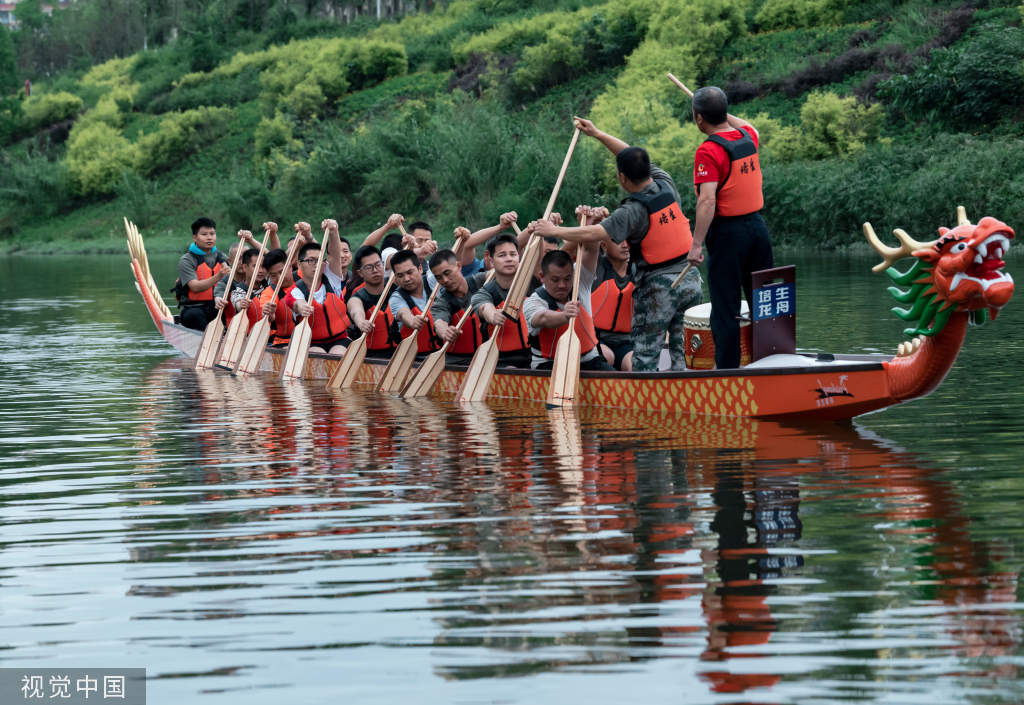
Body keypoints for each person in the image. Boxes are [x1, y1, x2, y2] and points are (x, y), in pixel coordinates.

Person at [533, 117, 702, 372]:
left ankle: (644, 408)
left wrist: (553, 230)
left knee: (644, 358)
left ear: (622, 178)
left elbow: (595, 232)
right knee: (681, 353)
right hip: (691, 279)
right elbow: (628, 153)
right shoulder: (665, 182)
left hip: (661, 287)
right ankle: (681, 397)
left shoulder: (631, 211)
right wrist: (597, 133)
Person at [687, 86, 774, 369]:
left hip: (729, 235)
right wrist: (719, 113)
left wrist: (696, 244)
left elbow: (708, 201)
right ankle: (773, 362)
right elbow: (746, 125)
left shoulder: (708, 151)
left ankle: (728, 375)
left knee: (725, 310)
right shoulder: (749, 137)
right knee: (766, 303)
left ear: (699, 119)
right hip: (758, 230)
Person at [522, 219, 615, 372]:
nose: (562, 285)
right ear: (542, 276)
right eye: (555, 279)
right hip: (549, 363)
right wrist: (564, 316)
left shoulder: (580, 280)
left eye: (567, 278)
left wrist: (589, 223)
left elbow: (591, 250)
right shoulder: (534, 301)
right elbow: (542, 318)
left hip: (589, 360)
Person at [284, 225, 351, 355]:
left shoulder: (333, 279)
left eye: (319, 260)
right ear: (299, 264)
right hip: (312, 342)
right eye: (311, 261)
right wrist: (302, 307)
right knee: (317, 353)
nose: (316, 264)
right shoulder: (294, 291)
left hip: (340, 339)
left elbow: (335, 255)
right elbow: (297, 303)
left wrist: (334, 231)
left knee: (337, 355)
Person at [470, 233, 532, 368]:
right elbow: (485, 308)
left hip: (534, 356)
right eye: (502, 255)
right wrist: (493, 316)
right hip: (499, 361)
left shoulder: (532, 284)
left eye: (513, 254)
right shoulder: (483, 293)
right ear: (491, 261)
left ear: (519, 258)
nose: (509, 259)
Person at [428, 248, 489, 365]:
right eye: (438, 277)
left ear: (459, 266)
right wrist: (445, 331)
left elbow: (502, 274)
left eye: (447, 273)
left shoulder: (482, 281)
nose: (445, 280)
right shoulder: (440, 303)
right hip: (457, 363)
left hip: (488, 357)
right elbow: (439, 323)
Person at [176, 217, 230, 331]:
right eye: (204, 234)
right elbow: (195, 287)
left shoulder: (222, 257)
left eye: (212, 233)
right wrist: (219, 276)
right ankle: (207, 341)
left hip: (217, 305)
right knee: (196, 315)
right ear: (195, 237)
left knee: (232, 309)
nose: (209, 237)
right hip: (193, 308)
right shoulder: (187, 260)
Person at [592, 230, 635, 371]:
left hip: (625, 341)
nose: (625, 245)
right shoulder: (595, 268)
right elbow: (589, 246)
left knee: (633, 365)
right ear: (603, 246)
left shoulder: (638, 271)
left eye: (627, 240)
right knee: (607, 357)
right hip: (596, 339)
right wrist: (590, 224)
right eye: (618, 240)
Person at [347, 245, 399, 359]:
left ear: (383, 265)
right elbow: (356, 311)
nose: (375, 270)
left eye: (378, 265)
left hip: (402, 351)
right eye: (369, 267)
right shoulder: (356, 298)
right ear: (360, 273)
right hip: (373, 356)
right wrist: (361, 323)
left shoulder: (395, 283)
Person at [388, 249, 439, 357]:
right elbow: (404, 314)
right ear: (395, 277)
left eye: (410, 272)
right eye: (400, 275)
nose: (406, 279)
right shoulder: (396, 298)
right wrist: (412, 321)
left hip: (444, 353)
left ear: (420, 268)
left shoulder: (434, 281)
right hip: (415, 359)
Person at [257, 247, 297, 347]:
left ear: (290, 266)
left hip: (313, 340)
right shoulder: (268, 293)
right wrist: (268, 312)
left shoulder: (304, 278)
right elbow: (270, 318)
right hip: (284, 342)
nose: (279, 278)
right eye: (273, 275)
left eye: (281, 272)